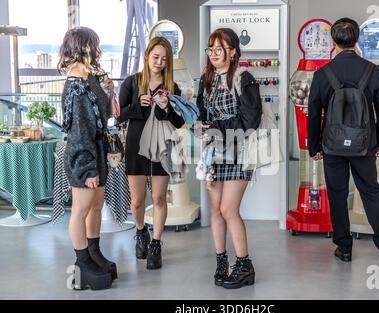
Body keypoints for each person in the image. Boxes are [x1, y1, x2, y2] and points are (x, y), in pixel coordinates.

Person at [308, 18, 379, 262]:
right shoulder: (373, 70)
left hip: (332, 145)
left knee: (337, 194)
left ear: (333, 42)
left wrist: (314, 146)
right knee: (370, 192)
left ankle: (344, 248)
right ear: (357, 40)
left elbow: (314, 112)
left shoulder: (322, 74)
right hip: (365, 143)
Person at [196, 28, 262, 289]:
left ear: (233, 52)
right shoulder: (205, 80)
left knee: (228, 209)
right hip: (213, 153)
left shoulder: (244, 79)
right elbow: (202, 114)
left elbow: (250, 121)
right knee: (215, 211)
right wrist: (200, 125)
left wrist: (215, 128)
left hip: (238, 151)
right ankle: (222, 261)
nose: (213, 54)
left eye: (219, 49)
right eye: (210, 49)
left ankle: (245, 265)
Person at [118, 37, 184, 270]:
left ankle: (156, 243)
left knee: (158, 198)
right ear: (146, 55)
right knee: (137, 201)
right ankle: (140, 232)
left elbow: (179, 121)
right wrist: (138, 105)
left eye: (164, 59)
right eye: (155, 57)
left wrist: (167, 108)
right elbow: (118, 116)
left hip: (163, 147)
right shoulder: (131, 82)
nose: (159, 62)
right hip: (136, 146)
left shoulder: (172, 87)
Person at [58, 26, 117, 290]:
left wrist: (109, 92)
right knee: (81, 209)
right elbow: (79, 131)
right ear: (84, 47)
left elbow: (102, 115)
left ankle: (93, 253)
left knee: (94, 206)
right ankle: (83, 262)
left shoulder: (87, 77)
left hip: (97, 149)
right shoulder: (77, 85)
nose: (98, 49)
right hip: (86, 154)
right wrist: (87, 168)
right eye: (94, 44)